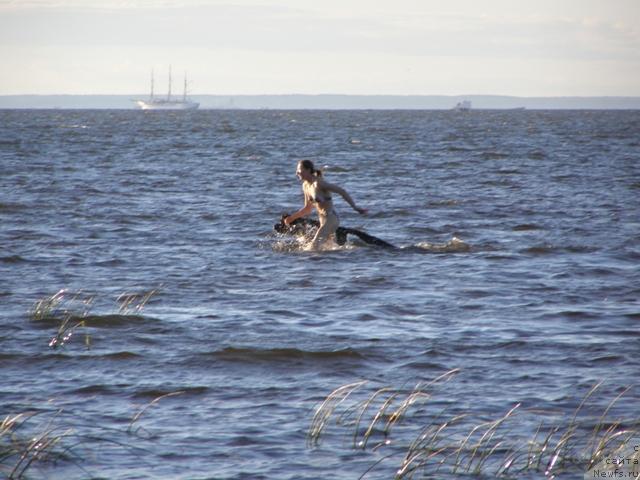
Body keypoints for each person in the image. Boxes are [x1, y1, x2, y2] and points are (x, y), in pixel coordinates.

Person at [284, 159, 367, 250]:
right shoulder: (305, 186)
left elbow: (341, 191)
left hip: (331, 219)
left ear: (308, 170)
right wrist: (292, 218)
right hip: (322, 220)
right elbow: (307, 208)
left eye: (299, 170)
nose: (297, 173)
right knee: (327, 249)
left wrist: (355, 207)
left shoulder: (319, 183)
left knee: (313, 247)